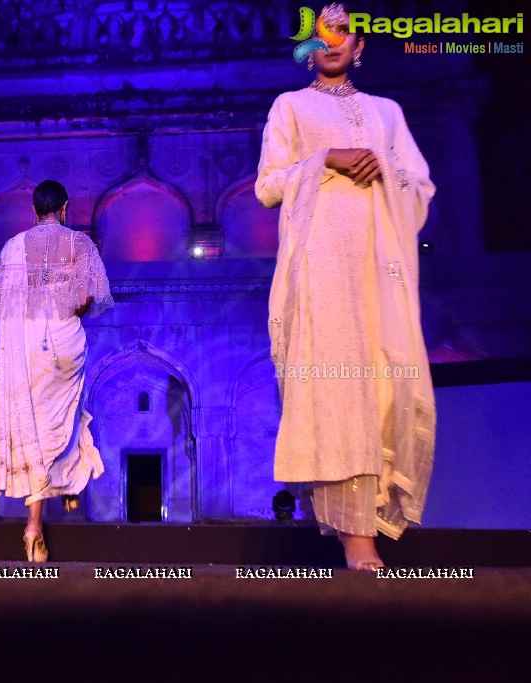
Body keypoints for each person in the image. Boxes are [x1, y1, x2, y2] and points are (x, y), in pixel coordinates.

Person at [256, 4, 435, 570]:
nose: (331, 42)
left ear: (360, 47)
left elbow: (421, 185)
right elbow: (266, 186)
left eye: (342, 33)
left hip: (378, 267)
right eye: (319, 33)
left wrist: (382, 163)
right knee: (339, 388)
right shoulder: (290, 107)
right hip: (322, 266)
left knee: (384, 384)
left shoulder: (387, 112)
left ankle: (369, 521)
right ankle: (358, 540)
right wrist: (326, 157)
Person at [0, 180, 113, 562]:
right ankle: (69, 493)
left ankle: (34, 523)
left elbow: (2, 303)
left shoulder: (13, 247)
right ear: (65, 208)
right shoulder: (79, 244)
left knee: (32, 431)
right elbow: (87, 297)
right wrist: (69, 313)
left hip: (26, 347)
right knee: (64, 421)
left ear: (33, 210)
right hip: (63, 342)